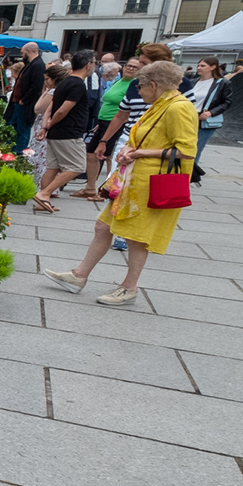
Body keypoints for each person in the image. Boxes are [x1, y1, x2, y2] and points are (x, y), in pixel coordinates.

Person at [43, 59, 197, 306]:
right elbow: (145, 137)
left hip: (150, 183)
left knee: (136, 237)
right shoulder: (162, 104)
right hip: (134, 180)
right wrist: (129, 149)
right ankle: (79, 276)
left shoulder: (178, 107)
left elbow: (186, 151)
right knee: (103, 227)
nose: (138, 92)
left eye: (140, 87)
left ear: (153, 85)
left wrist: (139, 153)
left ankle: (129, 288)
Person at [83, 55, 143, 199]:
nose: (130, 69)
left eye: (135, 67)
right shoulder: (119, 81)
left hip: (115, 123)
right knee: (91, 153)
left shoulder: (134, 86)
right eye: (128, 65)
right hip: (104, 121)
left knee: (105, 155)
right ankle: (90, 187)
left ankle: (106, 189)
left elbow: (127, 110)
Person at [35, 60, 91, 209]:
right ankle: (44, 194)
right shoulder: (77, 84)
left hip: (57, 132)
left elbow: (51, 109)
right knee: (77, 166)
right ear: (88, 65)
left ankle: (42, 202)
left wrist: (46, 127)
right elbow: (61, 111)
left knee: (53, 168)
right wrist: (49, 125)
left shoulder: (63, 84)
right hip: (69, 132)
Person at [188, 58, 231, 184]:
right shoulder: (193, 81)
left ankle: (189, 177)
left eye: (203, 66)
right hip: (188, 117)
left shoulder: (222, 83)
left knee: (195, 149)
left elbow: (227, 102)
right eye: (198, 65)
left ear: (213, 67)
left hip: (203, 119)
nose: (199, 68)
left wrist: (210, 112)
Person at [10, 43, 45, 152]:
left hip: (26, 105)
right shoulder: (30, 64)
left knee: (23, 130)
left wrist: (24, 100)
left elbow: (36, 86)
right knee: (15, 129)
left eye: (22, 53)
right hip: (19, 103)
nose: (21, 55)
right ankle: (13, 151)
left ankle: (20, 153)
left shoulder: (37, 65)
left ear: (28, 51)